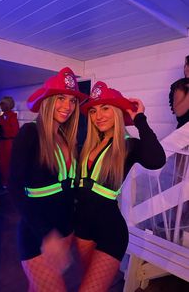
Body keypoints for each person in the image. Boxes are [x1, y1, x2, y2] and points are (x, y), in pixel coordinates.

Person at [74, 81, 166, 292]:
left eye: (105, 108)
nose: (99, 116)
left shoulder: (128, 144)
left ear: (117, 112)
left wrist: (139, 118)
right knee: (87, 279)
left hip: (110, 230)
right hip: (81, 227)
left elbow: (157, 160)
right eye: (94, 111)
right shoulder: (87, 144)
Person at [9, 67, 87, 292]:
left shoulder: (65, 136)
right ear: (48, 100)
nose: (68, 106)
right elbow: (15, 187)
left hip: (65, 230)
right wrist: (46, 234)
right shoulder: (30, 133)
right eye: (61, 98)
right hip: (38, 233)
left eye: (73, 100)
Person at [0, 96, 19, 195]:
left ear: (9, 105)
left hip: (9, 143)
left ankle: (8, 185)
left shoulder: (12, 117)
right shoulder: (1, 117)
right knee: (2, 164)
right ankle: (5, 184)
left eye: (3, 104)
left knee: (7, 164)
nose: (1, 106)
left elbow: (15, 132)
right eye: (1, 104)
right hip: (2, 143)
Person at [169, 55, 189, 129]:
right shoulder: (182, 84)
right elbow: (179, 112)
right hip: (185, 132)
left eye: (188, 64)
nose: (186, 68)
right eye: (185, 65)